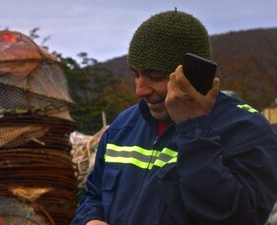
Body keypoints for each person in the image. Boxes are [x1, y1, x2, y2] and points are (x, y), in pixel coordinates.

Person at [71, 10, 277, 225]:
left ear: (195, 77)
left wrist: (193, 126)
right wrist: (90, 219)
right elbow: (93, 196)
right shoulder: (122, 127)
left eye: (156, 77)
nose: (140, 90)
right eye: (136, 74)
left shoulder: (246, 130)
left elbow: (238, 216)